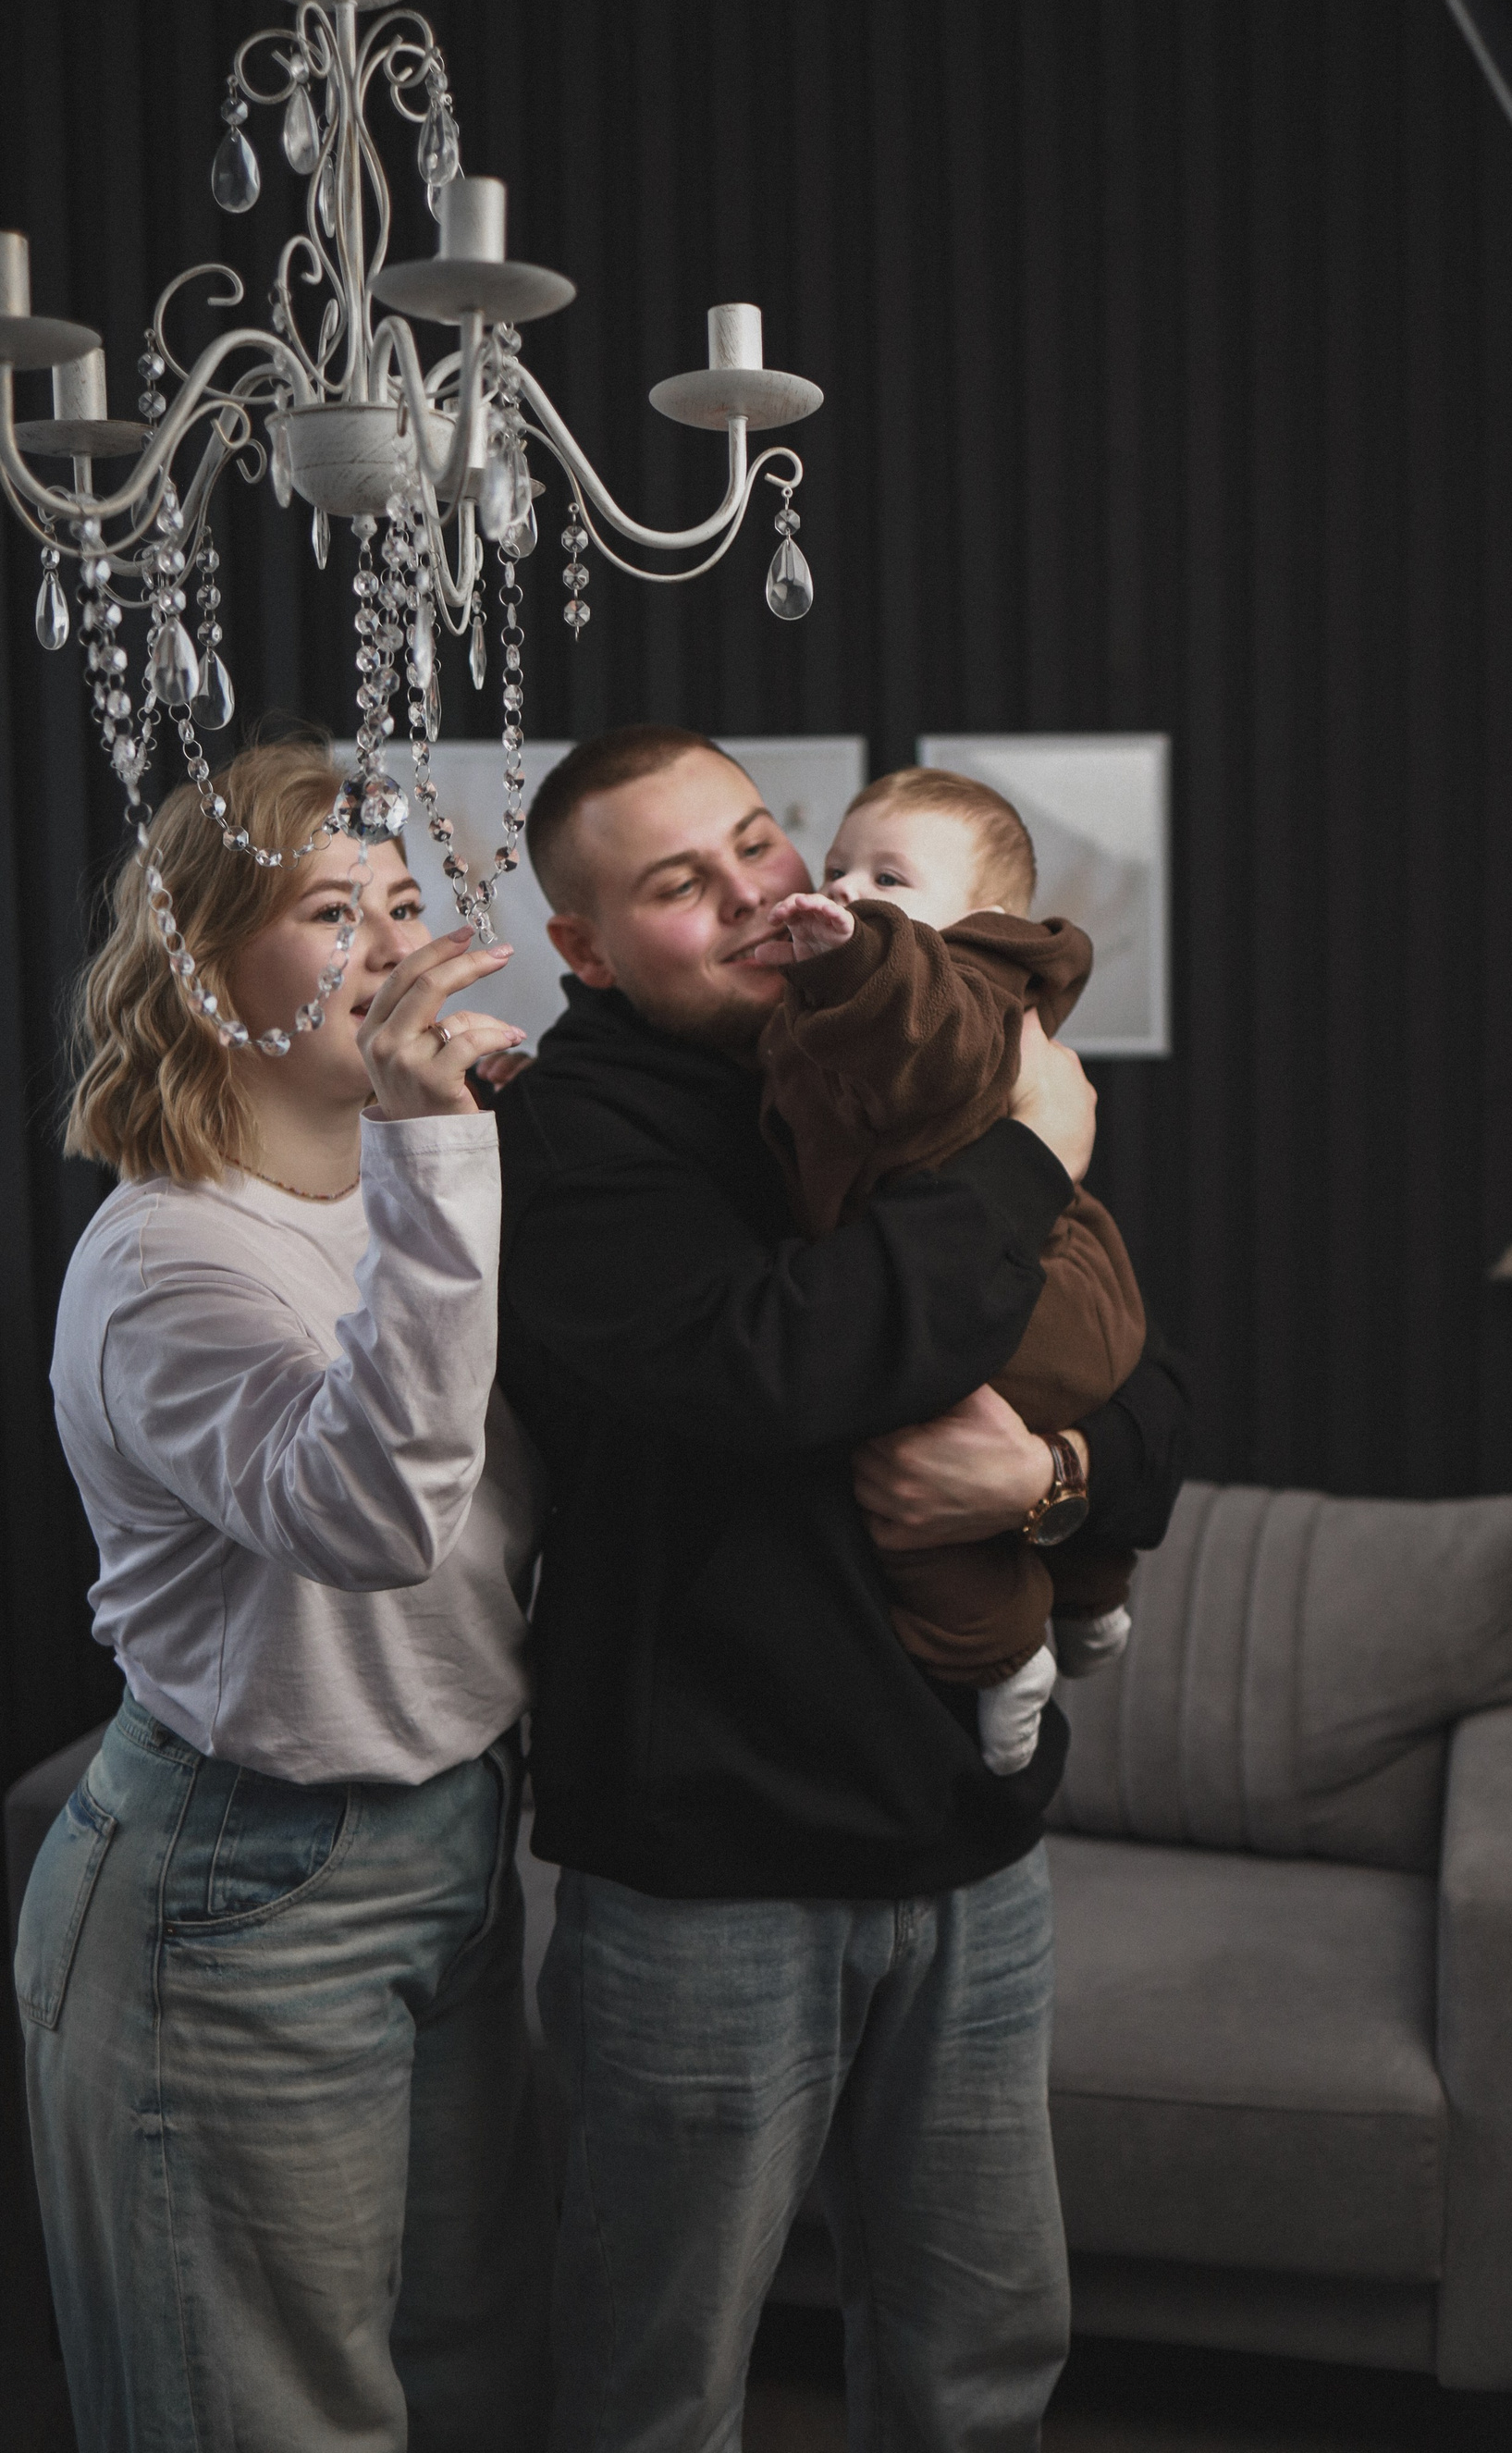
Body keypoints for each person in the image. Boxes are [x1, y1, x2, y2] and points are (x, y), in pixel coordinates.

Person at [497, 724, 1189, 2451]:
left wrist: (1050, 1479)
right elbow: (773, 1367)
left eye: (760, 839)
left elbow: (1140, 1387)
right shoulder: (569, 1134)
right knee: (656, 2384)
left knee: (983, 2359)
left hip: (971, 1850)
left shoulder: (898, 1044)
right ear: (584, 945)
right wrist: (1031, 1154)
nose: (756, 892)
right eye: (681, 883)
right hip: (710, 1871)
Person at [17, 738, 552, 2453]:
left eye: (403, 900)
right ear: (199, 958)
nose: (394, 945)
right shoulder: (168, 1258)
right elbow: (378, 1516)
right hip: (240, 1882)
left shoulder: (419, 1192)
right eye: (332, 910)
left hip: (458, 1835)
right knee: (266, 2419)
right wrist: (439, 1154)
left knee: (476, 2374)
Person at [753, 765, 1146, 1775]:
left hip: (1036, 1304)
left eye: (891, 878)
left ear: (988, 923)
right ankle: (1092, 1587)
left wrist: (861, 964)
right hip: (1052, 1296)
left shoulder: (959, 993)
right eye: (838, 868)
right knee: (1003, 1448)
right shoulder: (843, 1004)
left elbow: (932, 1047)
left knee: (902, 1471)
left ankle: (1000, 1652)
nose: (848, 890)